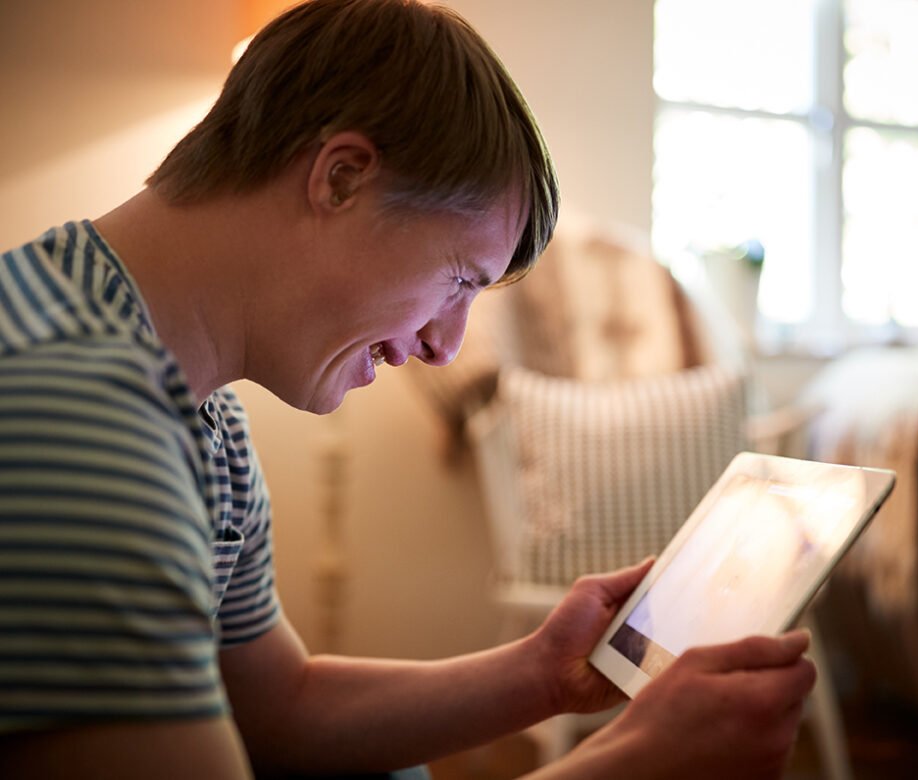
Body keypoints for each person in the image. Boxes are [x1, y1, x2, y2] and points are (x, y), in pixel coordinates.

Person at [0, 1, 816, 777]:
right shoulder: (80, 414)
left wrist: (546, 673)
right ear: (342, 177)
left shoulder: (191, 406)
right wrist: (635, 764)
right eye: (459, 278)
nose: (445, 346)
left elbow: (281, 705)